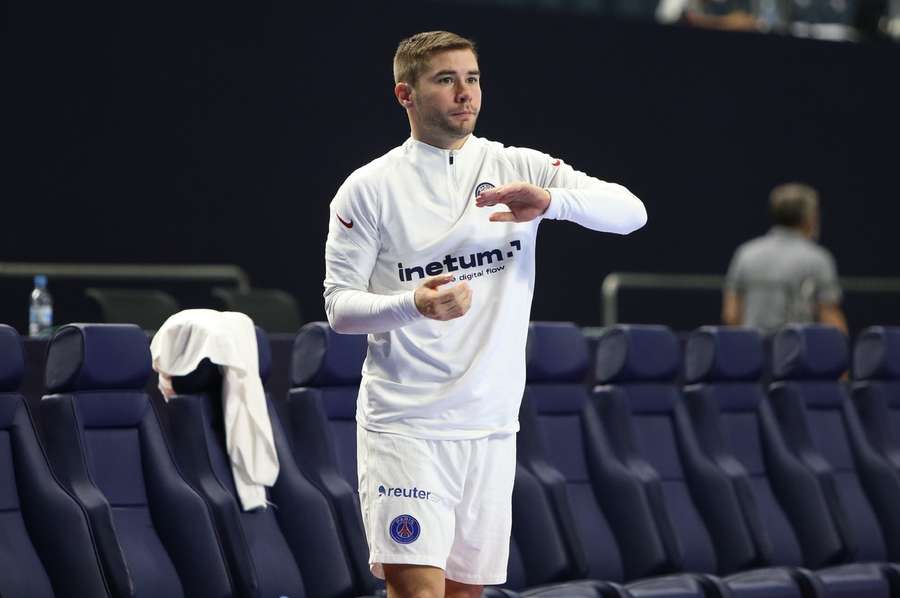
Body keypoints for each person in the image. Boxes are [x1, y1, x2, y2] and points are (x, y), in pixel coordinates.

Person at [323, 31, 647, 598]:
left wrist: (552, 202)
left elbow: (632, 213)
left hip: (492, 426)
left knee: (463, 595)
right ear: (406, 94)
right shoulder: (367, 189)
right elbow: (340, 309)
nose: (464, 93)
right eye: (445, 80)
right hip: (407, 424)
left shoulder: (516, 166)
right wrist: (413, 304)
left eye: (472, 79)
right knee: (420, 593)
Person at [722, 182, 847, 335]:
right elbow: (829, 316)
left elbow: (731, 315)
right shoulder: (817, 259)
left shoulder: (746, 253)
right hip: (797, 355)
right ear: (808, 217)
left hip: (749, 353)